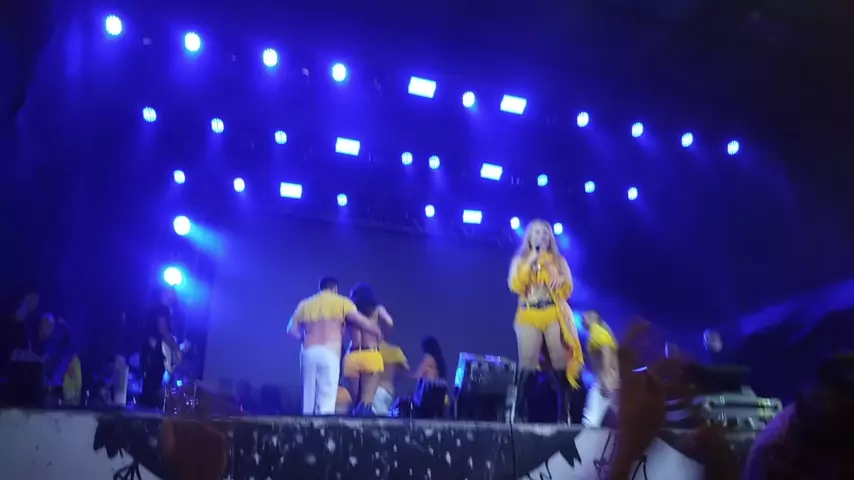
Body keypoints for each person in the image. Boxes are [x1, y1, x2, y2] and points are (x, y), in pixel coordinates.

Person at [507, 219, 583, 423]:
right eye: (537, 232)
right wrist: (531, 261)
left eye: (545, 233)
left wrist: (562, 280)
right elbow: (515, 285)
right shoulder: (520, 260)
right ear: (529, 237)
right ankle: (519, 413)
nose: (541, 236)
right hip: (529, 313)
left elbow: (568, 288)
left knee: (559, 359)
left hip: (552, 312)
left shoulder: (558, 260)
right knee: (528, 361)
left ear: (550, 238)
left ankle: (563, 413)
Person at [288, 276, 382, 416]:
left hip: (308, 351)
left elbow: (291, 329)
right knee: (326, 397)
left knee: (308, 394)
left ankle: (305, 423)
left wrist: (304, 337)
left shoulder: (305, 304)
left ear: (321, 288)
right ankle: (322, 427)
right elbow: (360, 321)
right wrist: (376, 331)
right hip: (330, 351)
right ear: (335, 288)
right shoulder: (342, 302)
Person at [343, 283, 394, 415]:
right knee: (366, 403)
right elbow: (389, 322)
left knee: (357, 402)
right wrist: (383, 337)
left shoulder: (350, 311)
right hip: (371, 354)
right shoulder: (377, 309)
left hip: (352, 355)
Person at [139, 286, 181, 409]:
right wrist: (176, 348)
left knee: (150, 380)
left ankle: (147, 404)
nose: (175, 296)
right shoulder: (162, 310)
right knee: (154, 380)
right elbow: (163, 330)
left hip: (150, 351)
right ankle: (151, 406)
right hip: (156, 351)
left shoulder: (153, 309)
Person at [580, 311, 619, 427]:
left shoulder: (596, 331)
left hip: (604, 381)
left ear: (591, 318)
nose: (582, 320)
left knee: (591, 419)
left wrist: (606, 378)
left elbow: (606, 349)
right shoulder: (600, 332)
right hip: (608, 380)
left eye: (584, 317)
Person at [411, 336, 449, 418]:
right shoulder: (440, 360)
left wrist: (402, 374)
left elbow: (418, 375)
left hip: (428, 394)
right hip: (439, 396)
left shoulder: (428, 358)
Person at [375, 340, 409, 416]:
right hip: (389, 391)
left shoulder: (372, 352)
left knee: (381, 419)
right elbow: (406, 369)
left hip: (377, 391)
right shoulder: (395, 351)